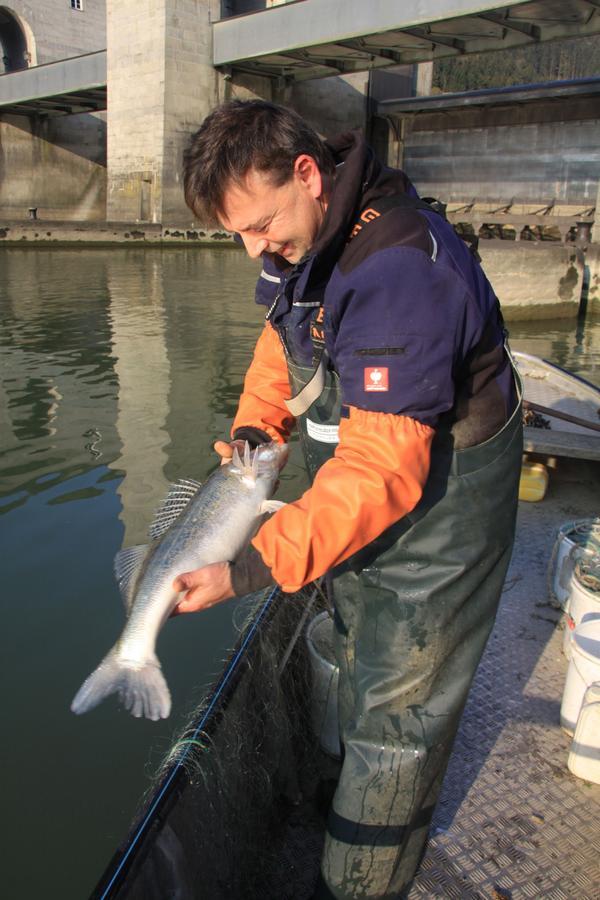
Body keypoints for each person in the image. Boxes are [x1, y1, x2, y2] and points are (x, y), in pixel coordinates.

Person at [177, 99, 523, 899]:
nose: (254, 247)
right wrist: (255, 430)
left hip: (446, 500)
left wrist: (250, 565)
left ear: (306, 174)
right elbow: (282, 335)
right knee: (344, 638)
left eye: (260, 225)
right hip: (364, 473)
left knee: (400, 709)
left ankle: (358, 883)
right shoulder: (307, 237)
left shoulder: (401, 269)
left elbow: (382, 476)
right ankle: (331, 795)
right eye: (239, 234)